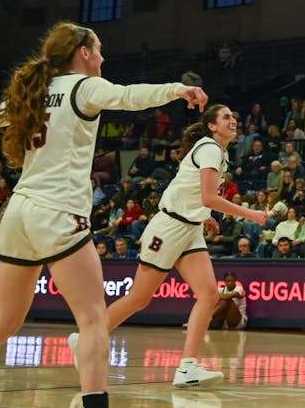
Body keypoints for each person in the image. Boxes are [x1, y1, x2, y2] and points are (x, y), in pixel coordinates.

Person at [0, 21, 207, 408]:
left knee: (2, 321)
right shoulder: (82, 87)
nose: (103, 57)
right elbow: (129, 97)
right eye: (99, 50)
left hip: (18, 213)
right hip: (57, 213)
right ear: (83, 52)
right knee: (92, 319)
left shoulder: (33, 92)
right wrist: (178, 89)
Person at [70, 105, 268, 387]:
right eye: (226, 117)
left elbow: (190, 190)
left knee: (209, 294)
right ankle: (84, 339)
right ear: (212, 126)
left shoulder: (218, 151)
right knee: (139, 299)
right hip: (169, 228)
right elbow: (209, 197)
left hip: (190, 228)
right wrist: (251, 214)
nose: (233, 120)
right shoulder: (209, 148)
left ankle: (187, 368)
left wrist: (204, 216)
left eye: (234, 116)